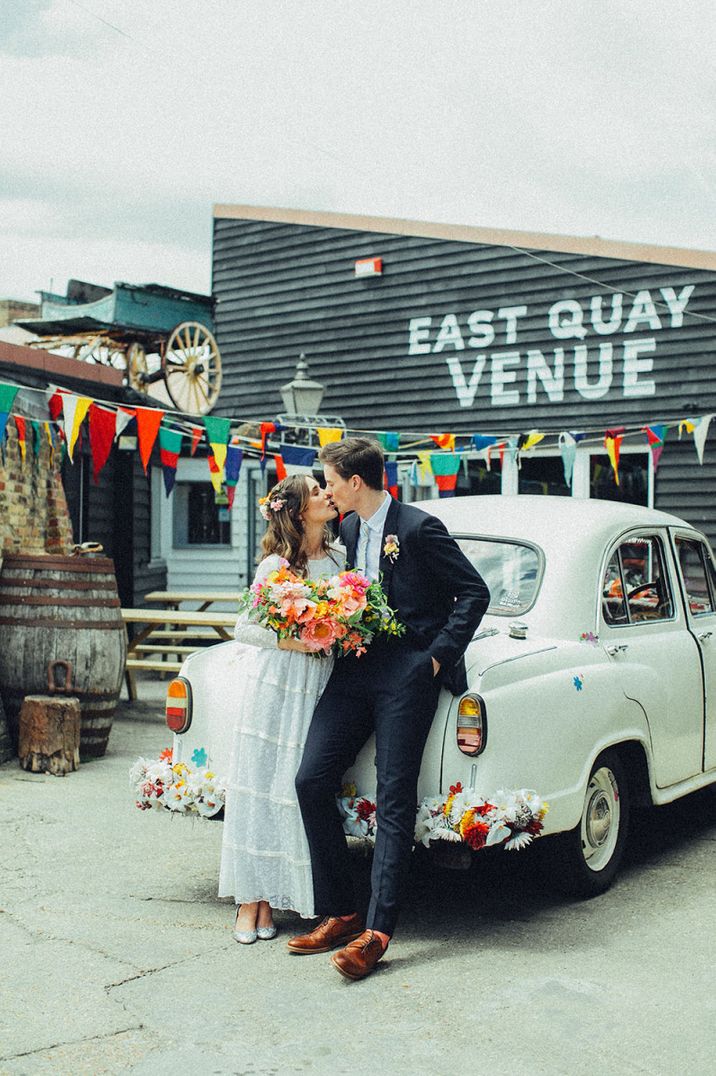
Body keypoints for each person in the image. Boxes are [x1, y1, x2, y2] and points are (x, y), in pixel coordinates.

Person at [291, 437, 490, 979]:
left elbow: (474, 593)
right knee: (310, 779)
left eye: (329, 479)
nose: (325, 489)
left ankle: (377, 932)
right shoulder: (350, 530)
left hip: (408, 672)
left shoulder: (421, 528)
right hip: (354, 669)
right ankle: (343, 908)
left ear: (355, 482)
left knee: (394, 793)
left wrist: (434, 660)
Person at [218, 474, 344, 943]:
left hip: (318, 685)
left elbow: (348, 622)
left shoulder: (339, 561)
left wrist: (337, 634)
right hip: (276, 682)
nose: (326, 495)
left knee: (290, 790)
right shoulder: (275, 565)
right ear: (295, 511)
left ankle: (276, 893)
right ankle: (250, 901)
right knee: (259, 785)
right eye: (316, 491)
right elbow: (245, 629)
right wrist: (296, 640)